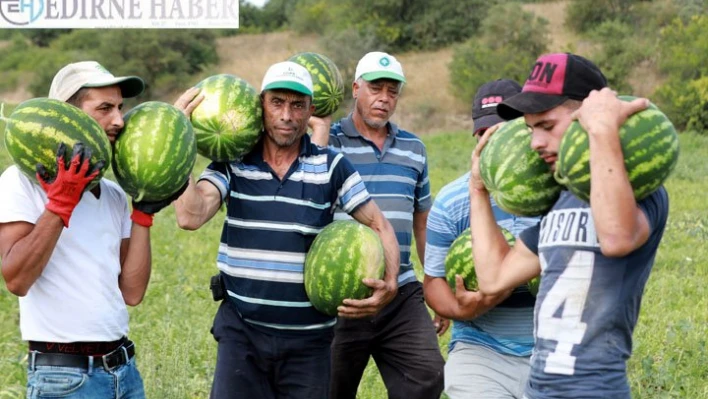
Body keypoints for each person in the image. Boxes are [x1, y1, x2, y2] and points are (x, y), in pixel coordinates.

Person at [172, 61, 400, 399]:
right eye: (277, 102)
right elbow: (190, 216)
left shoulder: (331, 165)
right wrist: (180, 136)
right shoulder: (233, 161)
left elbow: (378, 224)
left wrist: (391, 282)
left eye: (297, 105)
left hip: (309, 343)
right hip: (242, 335)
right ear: (261, 104)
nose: (286, 115)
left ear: (310, 110)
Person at [469, 53, 668, 399]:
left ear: (588, 116)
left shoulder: (641, 190)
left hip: (594, 390)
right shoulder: (562, 197)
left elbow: (617, 238)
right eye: (530, 129)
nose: (535, 143)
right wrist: (478, 190)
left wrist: (603, 129)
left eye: (547, 126)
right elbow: (493, 278)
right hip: (539, 389)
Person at [0, 61, 179, 398]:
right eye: (105, 108)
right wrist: (60, 205)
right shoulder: (20, 184)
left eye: (120, 108)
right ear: (70, 115)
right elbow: (17, 279)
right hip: (64, 379)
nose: (119, 121)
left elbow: (132, 293)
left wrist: (143, 212)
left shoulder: (112, 194)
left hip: (123, 370)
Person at [310, 51, 445, 399]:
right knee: (329, 390)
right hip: (341, 295)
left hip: (400, 291)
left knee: (427, 377)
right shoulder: (331, 141)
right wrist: (321, 134)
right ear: (356, 88)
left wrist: (435, 287)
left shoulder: (414, 148)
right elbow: (308, 187)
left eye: (392, 91)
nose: (384, 98)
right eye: (375, 88)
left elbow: (422, 221)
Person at [423, 79, 540, 399]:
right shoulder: (452, 201)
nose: (491, 142)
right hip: (481, 351)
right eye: (483, 133)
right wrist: (462, 309)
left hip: (554, 348)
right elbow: (433, 282)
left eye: (503, 130)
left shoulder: (556, 192)